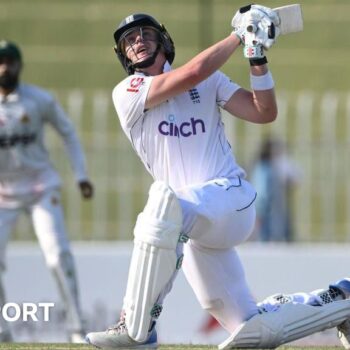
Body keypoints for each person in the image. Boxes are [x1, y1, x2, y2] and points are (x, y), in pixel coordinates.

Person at [86, 5, 350, 349]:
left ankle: (136, 329)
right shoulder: (128, 93)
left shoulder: (210, 81)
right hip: (191, 225)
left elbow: (263, 111)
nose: (138, 41)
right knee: (252, 330)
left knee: (162, 204)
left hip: (229, 199)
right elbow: (192, 72)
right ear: (124, 56)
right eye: (129, 41)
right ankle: (340, 301)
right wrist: (237, 35)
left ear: (164, 42)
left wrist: (256, 56)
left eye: (146, 34)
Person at [0, 40, 94, 343]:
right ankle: (2, 332)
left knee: (58, 256)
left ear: (19, 65)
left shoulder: (38, 100)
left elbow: (67, 132)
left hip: (41, 187)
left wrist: (81, 175)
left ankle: (77, 329)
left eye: (10, 62)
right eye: (0, 62)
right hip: (3, 193)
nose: (5, 68)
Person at [250, 137, 301, 242]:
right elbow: (261, 194)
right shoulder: (264, 169)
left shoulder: (268, 167)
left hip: (274, 215)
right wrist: (258, 214)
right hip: (267, 217)